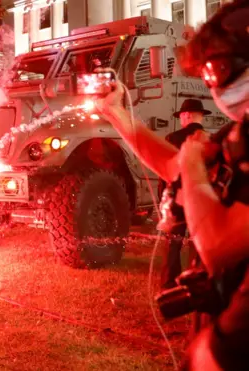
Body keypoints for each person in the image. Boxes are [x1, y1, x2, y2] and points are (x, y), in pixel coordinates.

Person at [97, 1, 249, 369]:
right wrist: (117, 114)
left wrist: (193, 163)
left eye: (218, 71)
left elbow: (220, 244)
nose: (215, 88)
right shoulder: (239, 133)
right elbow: (173, 166)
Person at [159, 99, 210, 289]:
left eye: (181, 115)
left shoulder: (172, 139)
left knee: (173, 244)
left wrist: (163, 200)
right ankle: (196, 282)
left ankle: (169, 283)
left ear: (186, 115)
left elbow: (164, 173)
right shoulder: (210, 140)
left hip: (178, 200)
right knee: (198, 245)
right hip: (201, 201)